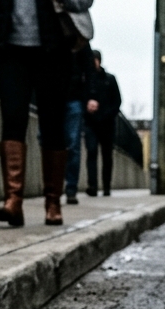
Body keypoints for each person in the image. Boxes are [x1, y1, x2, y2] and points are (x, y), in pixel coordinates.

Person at [0, 0, 79, 227]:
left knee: (53, 125)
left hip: (53, 50)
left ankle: (53, 202)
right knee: (12, 120)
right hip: (10, 51)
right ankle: (13, 200)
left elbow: (83, 2)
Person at [84, 50, 121, 197]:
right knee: (91, 153)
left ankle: (106, 186)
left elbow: (117, 102)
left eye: (95, 59)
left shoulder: (109, 79)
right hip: (91, 123)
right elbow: (81, 98)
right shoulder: (86, 80)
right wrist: (87, 108)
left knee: (107, 156)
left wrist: (106, 114)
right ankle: (92, 185)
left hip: (107, 124)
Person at [65, 43, 95, 205]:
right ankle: (53, 186)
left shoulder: (79, 35)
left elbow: (89, 69)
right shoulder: (49, 28)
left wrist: (90, 95)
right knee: (47, 140)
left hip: (74, 97)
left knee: (73, 144)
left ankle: (71, 188)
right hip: (52, 93)